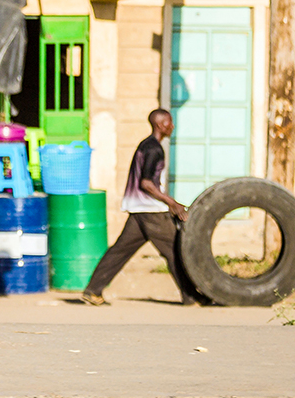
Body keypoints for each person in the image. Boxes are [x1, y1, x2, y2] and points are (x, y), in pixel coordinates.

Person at [80, 108, 204, 305]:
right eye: (170, 122)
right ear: (161, 125)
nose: (172, 126)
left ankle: (92, 290)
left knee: (120, 250)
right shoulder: (154, 149)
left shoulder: (145, 145)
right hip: (151, 210)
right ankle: (192, 297)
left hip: (138, 210)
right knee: (175, 250)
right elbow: (146, 183)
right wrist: (172, 203)